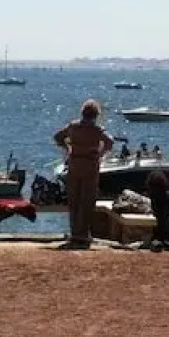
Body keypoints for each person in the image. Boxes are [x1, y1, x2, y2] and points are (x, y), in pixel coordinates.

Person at [54, 100, 114, 248]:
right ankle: (83, 234)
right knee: (87, 201)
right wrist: (100, 153)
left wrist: (68, 148)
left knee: (74, 200)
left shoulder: (73, 127)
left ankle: (75, 233)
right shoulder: (97, 130)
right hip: (90, 164)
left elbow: (57, 137)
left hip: (75, 163)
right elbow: (110, 142)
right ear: (96, 115)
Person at [144, 170, 169, 251]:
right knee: (168, 239)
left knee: (156, 241)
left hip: (155, 229)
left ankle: (157, 244)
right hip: (167, 230)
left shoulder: (150, 196)